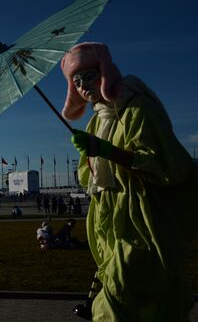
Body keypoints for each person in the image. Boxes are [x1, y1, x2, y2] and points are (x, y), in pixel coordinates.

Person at [62, 42, 198, 320]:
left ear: (104, 73)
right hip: (110, 218)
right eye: (76, 82)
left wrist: (106, 150)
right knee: (155, 302)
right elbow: (93, 178)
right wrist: (90, 155)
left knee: (116, 299)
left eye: (88, 76)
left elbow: (166, 164)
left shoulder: (137, 107)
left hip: (143, 219)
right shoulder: (94, 121)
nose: (83, 86)